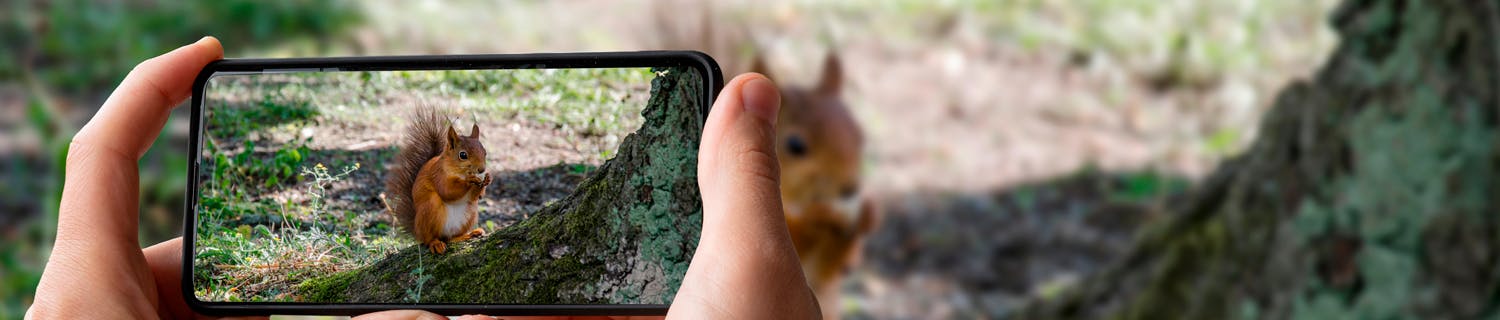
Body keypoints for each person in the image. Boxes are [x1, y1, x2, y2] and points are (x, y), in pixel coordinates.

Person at [27, 37, 821, 320]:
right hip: (427, 223)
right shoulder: (437, 173)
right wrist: (454, 194)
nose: (475, 168)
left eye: (476, 160)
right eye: (468, 160)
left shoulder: (471, 176)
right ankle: (441, 252)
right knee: (433, 219)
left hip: (460, 228)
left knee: (467, 222)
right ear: (452, 151)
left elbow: (471, 195)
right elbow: (438, 194)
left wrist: (476, 201)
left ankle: (458, 247)